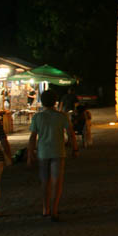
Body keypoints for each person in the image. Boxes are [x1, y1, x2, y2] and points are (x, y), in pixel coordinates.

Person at [27, 89, 78, 222]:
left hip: (43, 152)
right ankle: (54, 209)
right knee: (57, 181)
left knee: (45, 181)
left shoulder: (37, 117)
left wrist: (30, 153)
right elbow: (71, 133)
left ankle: (45, 208)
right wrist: (75, 148)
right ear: (55, 102)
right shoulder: (61, 116)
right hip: (58, 152)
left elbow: (32, 137)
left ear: (42, 102)